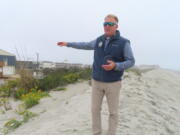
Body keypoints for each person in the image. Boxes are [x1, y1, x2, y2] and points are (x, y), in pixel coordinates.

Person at [57, 14, 135, 135]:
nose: (107, 26)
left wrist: (116, 66)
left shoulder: (124, 43)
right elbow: (85, 45)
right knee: (94, 110)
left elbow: (131, 61)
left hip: (113, 83)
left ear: (116, 26)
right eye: (105, 24)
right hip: (97, 82)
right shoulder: (99, 40)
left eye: (110, 24)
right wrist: (68, 44)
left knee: (113, 112)